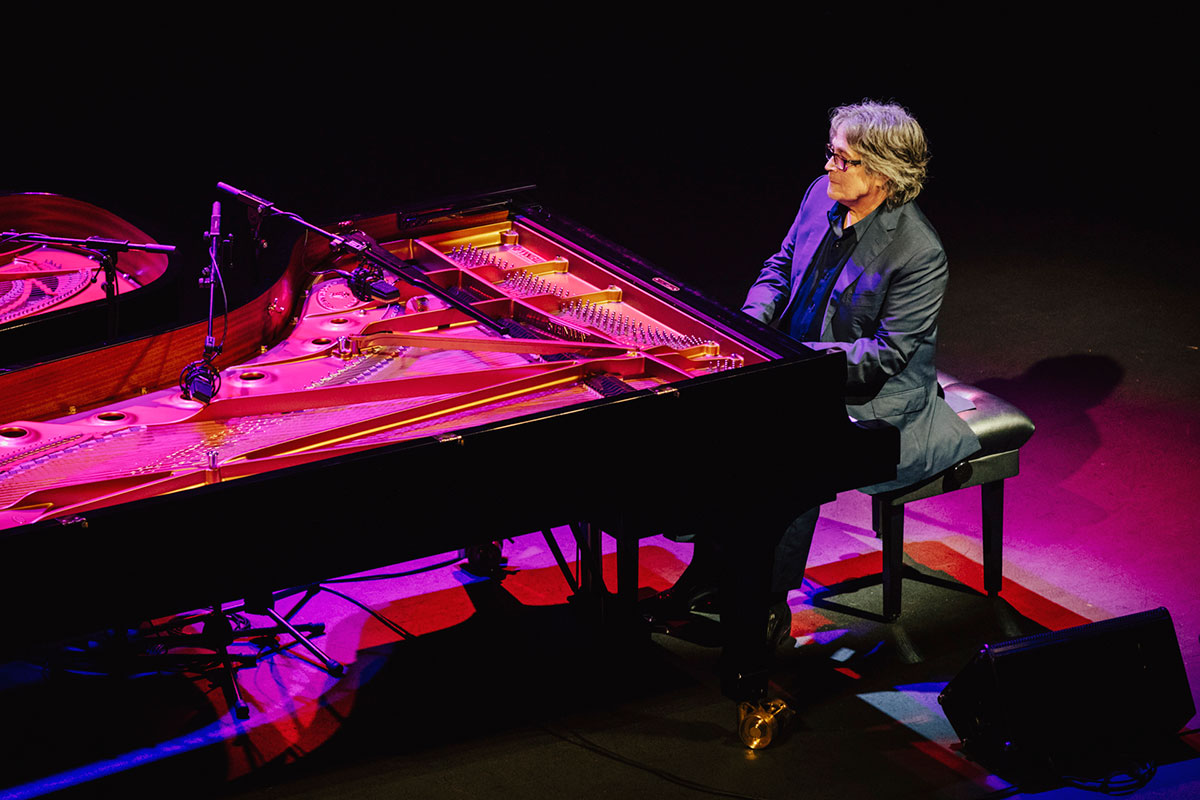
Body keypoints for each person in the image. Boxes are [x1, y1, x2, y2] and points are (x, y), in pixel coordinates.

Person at [741, 100, 980, 593]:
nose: (830, 165)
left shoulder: (919, 251)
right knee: (722, 426)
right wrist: (749, 326)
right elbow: (780, 267)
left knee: (791, 449)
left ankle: (765, 601)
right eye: (831, 152)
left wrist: (800, 364)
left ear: (883, 173)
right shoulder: (820, 194)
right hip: (795, 364)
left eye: (843, 158)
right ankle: (712, 574)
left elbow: (886, 355)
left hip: (872, 395)